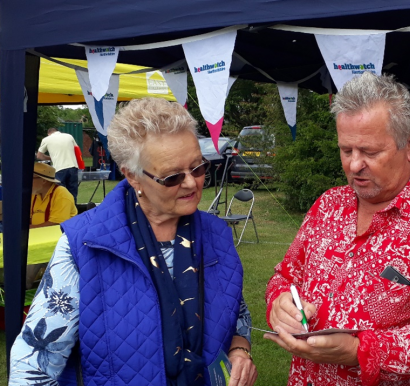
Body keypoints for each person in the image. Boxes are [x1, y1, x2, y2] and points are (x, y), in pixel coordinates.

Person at [10, 97, 257, 386]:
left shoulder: (217, 235)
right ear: (132, 176)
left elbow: (234, 312)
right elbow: (34, 362)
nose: (191, 183)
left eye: (198, 167)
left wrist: (240, 349)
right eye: (173, 176)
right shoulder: (86, 244)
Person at [264, 72, 410, 386]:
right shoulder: (328, 205)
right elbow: (285, 275)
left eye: (369, 152)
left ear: (409, 144)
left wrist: (360, 351)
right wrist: (280, 303)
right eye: (346, 150)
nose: (354, 165)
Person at [26, 162, 78, 288]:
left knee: (26, 264)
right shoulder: (34, 195)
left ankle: (22, 294)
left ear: (43, 180)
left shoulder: (61, 195)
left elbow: (56, 224)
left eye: (31, 178)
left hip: (57, 246)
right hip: (36, 242)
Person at [37, 127, 79, 203]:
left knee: (60, 193)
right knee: (73, 193)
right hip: (73, 167)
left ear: (48, 133)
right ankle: (74, 212)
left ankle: (62, 212)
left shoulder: (46, 139)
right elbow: (77, 150)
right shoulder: (69, 136)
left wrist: (51, 158)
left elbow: (39, 156)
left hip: (60, 168)